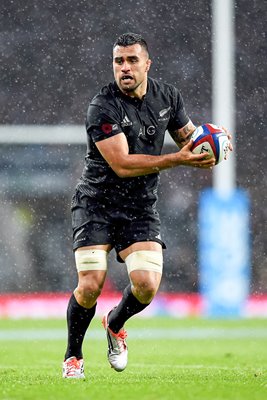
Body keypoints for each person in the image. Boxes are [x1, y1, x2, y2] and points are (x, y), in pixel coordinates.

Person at [62, 32, 232, 378]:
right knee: (91, 283)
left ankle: (114, 323)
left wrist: (210, 147)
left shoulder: (168, 96)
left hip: (139, 207)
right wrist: (180, 159)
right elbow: (122, 164)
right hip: (96, 204)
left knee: (146, 285)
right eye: (118, 61)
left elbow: (189, 138)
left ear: (147, 64)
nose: (124, 67)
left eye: (131, 60)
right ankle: (73, 357)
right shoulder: (102, 106)